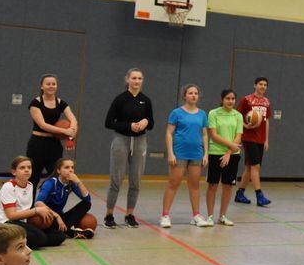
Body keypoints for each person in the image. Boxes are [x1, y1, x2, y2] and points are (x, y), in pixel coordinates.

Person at [104, 68, 154, 228]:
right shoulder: (120, 99)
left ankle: (129, 214)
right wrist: (129, 125)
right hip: (121, 140)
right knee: (116, 179)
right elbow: (109, 122)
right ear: (127, 80)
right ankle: (109, 215)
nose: (137, 81)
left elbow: (151, 122)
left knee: (136, 180)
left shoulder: (146, 100)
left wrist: (146, 122)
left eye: (139, 78)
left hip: (140, 141)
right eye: (134, 78)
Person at [160, 84, 209, 228]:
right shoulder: (176, 113)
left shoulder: (202, 114)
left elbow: (205, 134)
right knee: (173, 184)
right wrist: (170, 153)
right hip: (180, 153)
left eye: (196, 93)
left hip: (197, 154)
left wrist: (205, 153)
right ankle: (165, 215)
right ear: (184, 96)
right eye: (190, 93)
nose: (193, 95)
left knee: (194, 185)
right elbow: (169, 133)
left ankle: (195, 216)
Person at [0, 156, 66, 249]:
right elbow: (11, 215)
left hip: (23, 222)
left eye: (29, 167)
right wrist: (36, 211)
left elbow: (29, 209)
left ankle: (20, 241)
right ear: (14, 172)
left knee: (60, 236)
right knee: (39, 238)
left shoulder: (30, 185)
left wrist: (55, 215)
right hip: (7, 223)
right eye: (22, 168)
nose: (26, 170)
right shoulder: (8, 187)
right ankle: (2, 238)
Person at [26, 75, 78, 183]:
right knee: (33, 178)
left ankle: (50, 200)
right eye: (48, 84)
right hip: (37, 144)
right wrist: (64, 131)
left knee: (56, 178)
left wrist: (70, 138)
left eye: (53, 84)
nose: (51, 86)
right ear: (42, 86)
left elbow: (73, 120)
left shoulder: (61, 103)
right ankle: (30, 200)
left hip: (54, 144)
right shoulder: (35, 103)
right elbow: (42, 125)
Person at [206, 89, 244, 227]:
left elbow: (238, 135)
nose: (230, 101)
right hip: (215, 153)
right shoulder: (213, 113)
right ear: (222, 99)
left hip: (232, 156)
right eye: (228, 98)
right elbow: (214, 135)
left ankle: (222, 216)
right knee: (213, 185)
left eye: (233, 98)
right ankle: (210, 216)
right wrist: (232, 146)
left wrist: (229, 152)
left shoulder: (238, 115)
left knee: (228, 186)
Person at [234, 77, 273, 207]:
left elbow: (267, 121)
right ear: (254, 85)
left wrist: (266, 139)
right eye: (260, 84)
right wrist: (245, 126)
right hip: (249, 137)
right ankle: (259, 195)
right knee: (255, 166)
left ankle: (240, 193)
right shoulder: (246, 100)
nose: (263, 86)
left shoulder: (266, 102)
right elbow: (237, 116)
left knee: (250, 167)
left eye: (265, 85)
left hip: (260, 138)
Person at [35, 158, 95, 239]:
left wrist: (78, 182)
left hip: (60, 218)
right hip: (48, 218)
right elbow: (38, 203)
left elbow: (87, 199)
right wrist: (56, 216)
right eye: (67, 167)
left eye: (72, 167)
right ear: (58, 171)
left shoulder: (71, 183)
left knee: (86, 204)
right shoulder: (51, 183)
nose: (70, 170)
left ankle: (65, 229)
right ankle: (68, 231)